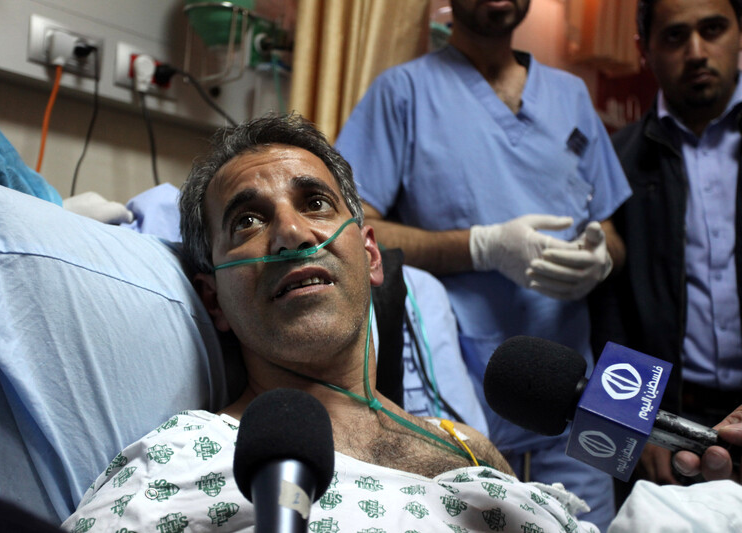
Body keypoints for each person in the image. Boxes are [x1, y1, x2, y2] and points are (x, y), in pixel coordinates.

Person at [61, 114, 601, 532]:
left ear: (370, 256)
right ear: (214, 300)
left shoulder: (466, 449)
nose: (291, 232)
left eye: (315, 202)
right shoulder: (179, 459)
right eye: (247, 221)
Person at [334, 1, 631, 528]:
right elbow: (353, 231)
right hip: (457, 408)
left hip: (581, 399)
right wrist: (480, 246)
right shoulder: (402, 93)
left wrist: (600, 257)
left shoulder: (571, 96)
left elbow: (611, 229)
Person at [605, 0, 742, 487]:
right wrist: (633, 425)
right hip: (672, 422)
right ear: (646, 50)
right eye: (675, 36)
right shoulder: (617, 162)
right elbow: (613, 307)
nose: (697, 51)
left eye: (713, 29)